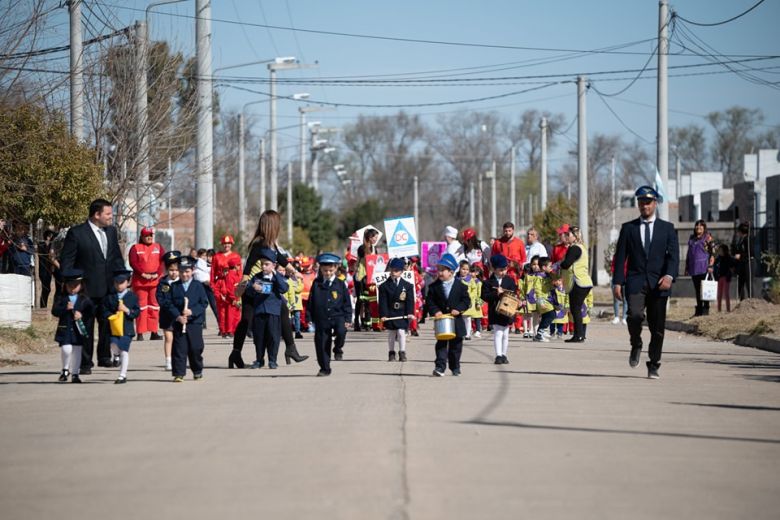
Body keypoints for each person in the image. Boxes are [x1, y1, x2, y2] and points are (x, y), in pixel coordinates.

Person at [612, 186, 679, 380]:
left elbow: (674, 257)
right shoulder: (628, 228)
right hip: (635, 281)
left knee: (657, 327)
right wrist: (618, 282)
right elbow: (620, 257)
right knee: (633, 315)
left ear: (655, 204)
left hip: (659, 283)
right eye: (641, 202)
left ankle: (654, 363)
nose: (644, 206)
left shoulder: (667, 228)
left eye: (648, 202)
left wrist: (669, 276)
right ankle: (636, 343)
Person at [230, 211, 307, 368]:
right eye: (277, 223)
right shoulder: (260, 243)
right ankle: (235, 353)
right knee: (246, 320)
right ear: (271, 225)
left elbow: (281, 259)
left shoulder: (271, 243)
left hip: (267, 289)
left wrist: (295, 272)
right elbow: (249, 266)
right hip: (254, 288)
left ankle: (291, 349)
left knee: (283, 311)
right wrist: (243, 288)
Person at [59, 198, 125, 373]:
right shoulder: (77, 233)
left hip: (108, 288)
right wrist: (71, 285)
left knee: (107, 324)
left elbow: (116, 258)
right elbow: (67, 261)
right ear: (97, 215)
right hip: (86, 290)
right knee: (85, 326)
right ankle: (84, 363)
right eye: (108, 214)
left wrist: (122, 280)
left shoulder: (111, 232)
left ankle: (104, 357)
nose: (111, 217)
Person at [163, 256, 210, 382]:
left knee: (196, 348)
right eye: (182, 271)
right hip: (179, 323)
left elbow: (204, 303)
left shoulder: (198, 286)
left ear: (192, 271)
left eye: (187, 271)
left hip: (194, 323)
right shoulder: (175, 287)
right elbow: (169, 304)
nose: (184, 274)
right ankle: (179, 373)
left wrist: (192, 312)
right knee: (179, 348)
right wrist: (178, 316)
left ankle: (197, 370)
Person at [307, 253, 353, 376]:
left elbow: (346, 302)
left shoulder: (340, 283)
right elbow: (311, 301)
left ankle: (338, 348)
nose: (327, 273)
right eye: (325, 270)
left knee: (341, 332)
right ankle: (325, 368)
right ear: (320, 269)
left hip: (338, 316)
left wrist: (348, 318)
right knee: (322, 342)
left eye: (330, 270)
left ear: (336, 269)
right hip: (321, 317)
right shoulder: (316, 283)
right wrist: (309, 316)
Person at [426, 253, 470, 376]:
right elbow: (430, 301)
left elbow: (466, 301)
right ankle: (440, 367)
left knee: (456, 347)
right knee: (441, 345)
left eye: (442, 270)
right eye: (438, 270)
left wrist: (459, 309)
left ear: (451, 272)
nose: (439, 273)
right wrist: (435, 311)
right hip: (442, 321)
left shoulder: (460, 286)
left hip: (456, 321)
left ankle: (455, 367)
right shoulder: (434, 287)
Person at [245, 248, 289, 369]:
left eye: (267, 264)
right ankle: (259, 360)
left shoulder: (277, 277)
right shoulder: (257, 277)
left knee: (273, 337)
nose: (264, 267)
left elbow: (284, 288)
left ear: (274, 265)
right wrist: (253, 288)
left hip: (273, 311)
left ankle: (272, 360)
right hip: (259, 311)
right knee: (259, 337)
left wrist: (276, 275)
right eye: (262, 264)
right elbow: (248, 292)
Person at [51, 268, 94, 383]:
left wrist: (82, 315)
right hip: (65, 328)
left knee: (77, 351)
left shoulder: (84, 299)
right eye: (70, 286)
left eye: (76, 285)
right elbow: (54, 311)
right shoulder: (61, 298)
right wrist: (65, 308)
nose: (73, 288)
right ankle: (65, 369)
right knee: (66, 349)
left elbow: (91, 312)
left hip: (78, 330)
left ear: (81, 285)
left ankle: (75, 373)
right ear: (65, 285)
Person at [102, 269, 140, 384]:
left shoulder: (132, 297)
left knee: (124, 350)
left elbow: (137, 312)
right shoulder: (110, 297)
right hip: (113, 328)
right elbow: (104, 311)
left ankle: (122, 375)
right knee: (113, 345)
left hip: (126, 329)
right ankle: (116, 355)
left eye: (122, 282)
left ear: (128, 283)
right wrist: (111, 315)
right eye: (116, 283)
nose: (119, 285)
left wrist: (127, 310)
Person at [128, 227, 165, 341]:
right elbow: (133, 262)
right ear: (142, 237)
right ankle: (140, 332)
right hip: (140, 282)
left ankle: (154, 331)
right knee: (141, 307)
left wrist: (157, 274)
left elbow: (162, 262)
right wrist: (142, 274)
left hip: (155, 281)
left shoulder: (158, 247)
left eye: (150, 235)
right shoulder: (135, 248)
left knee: (154, 306)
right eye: (146, 236)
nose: (149, 238)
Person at [480, 254, 517, 364]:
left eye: (505, 269)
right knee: (498, 332)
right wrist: (496, 293)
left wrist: (514, 298)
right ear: (494, 269)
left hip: (507, 311)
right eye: (500, 270)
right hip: (495, 311)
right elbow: (485, 296)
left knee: (505, 333)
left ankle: (504, 355)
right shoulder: (488, 282)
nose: (503, 272)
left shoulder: (510, 281)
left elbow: (514, 293)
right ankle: (498, 355)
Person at [559, 226, 593, 344]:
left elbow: (566, 264)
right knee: (576, 309)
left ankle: (578, 336)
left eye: (569, 235)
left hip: (578, 282)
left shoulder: (574, 248)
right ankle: (580, 335)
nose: (567, 237)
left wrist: (559, 265)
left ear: (575, 236)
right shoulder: (581, 247)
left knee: (575, 309)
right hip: (584, 282)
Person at [379, 257, 414, 362]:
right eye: (392, 270)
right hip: (390, 312)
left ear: (402, 272)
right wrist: (383, 315)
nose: (393, 272)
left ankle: (402, 352)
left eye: (396, 270)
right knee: (391, 333)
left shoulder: (407, 286)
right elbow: (383, 302)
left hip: (402, 312)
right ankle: (391, 352)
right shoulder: (384, 286)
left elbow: (409, 301)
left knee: (401, 332)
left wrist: (410, 313)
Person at [156, 250, 181, 370]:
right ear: (166, 270)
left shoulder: (182, 282)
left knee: (178, 339)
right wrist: (169, 307)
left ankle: (178, 358)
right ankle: (168, 361)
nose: (174, 273)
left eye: (176, 270)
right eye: (171, 270)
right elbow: (160, 298)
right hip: (167, 316)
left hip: (180, 316)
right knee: (168, 338)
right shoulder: (163, 282)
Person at [685, 219, 715, 316]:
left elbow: (713, 252)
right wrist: (687, 267)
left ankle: (706, 310)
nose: (698, 227)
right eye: (697, 225)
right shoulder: (692, 239)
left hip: (704, 268)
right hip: (694, 269)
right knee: (697, 290)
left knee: (705, 290)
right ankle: (699, 310)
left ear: (704, 228)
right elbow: (689, 254)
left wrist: (711, 265)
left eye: (701, 226)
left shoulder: (707, 237)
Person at [354, 229, 380, 331]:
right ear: (369, 237)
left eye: (377, 238)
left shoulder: (375, 248)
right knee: (360, 300)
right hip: (361, 276)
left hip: (371, 276)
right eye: (374, 237)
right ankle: (357, 322)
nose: (376, 239)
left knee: (369, 300)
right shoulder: (362, 248)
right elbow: (363, 260)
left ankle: (367, 323)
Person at [459, 260, 482, 340]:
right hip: (459, 302)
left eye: (467, 269)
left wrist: (470, 297)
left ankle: (468, 334)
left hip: (469, 302)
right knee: (461, 318)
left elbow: (474, 290)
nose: (465, 271)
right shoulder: (457, 279)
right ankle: (462, 333)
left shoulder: (471, 280)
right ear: (459, 269)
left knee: (468, 318)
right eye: (463, 269)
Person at [732, 222, 752, 301]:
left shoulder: (748, 239)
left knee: (748, 282)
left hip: (748, 263)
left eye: (738, 231)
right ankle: (742, 301)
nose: (737, 233)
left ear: (741, 231)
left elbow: (750, 252)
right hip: (741, 264)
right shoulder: (740, 240)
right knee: (741, 283)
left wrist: (741, 255)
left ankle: (751, 299)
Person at [37, 229, 56, 308]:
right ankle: (42, 305)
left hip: (49, 269)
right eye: (50, 236)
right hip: (43, 269)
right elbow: (42, 255)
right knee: (46, 288)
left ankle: (43, 305)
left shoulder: (52, 245)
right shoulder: (41, 244)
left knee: (48, 288)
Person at [714, 244, 734, 312]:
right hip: (719, 277)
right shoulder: (718, 258)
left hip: (726, 277)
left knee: (726, 294)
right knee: (719, 294)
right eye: (719, 250)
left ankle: (728, 309)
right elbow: (715, 267)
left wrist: (730, 274)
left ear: (724, 251)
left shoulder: (729, 258)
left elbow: (732, 267)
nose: (720, 252)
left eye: (721, 250)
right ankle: (719, 309)